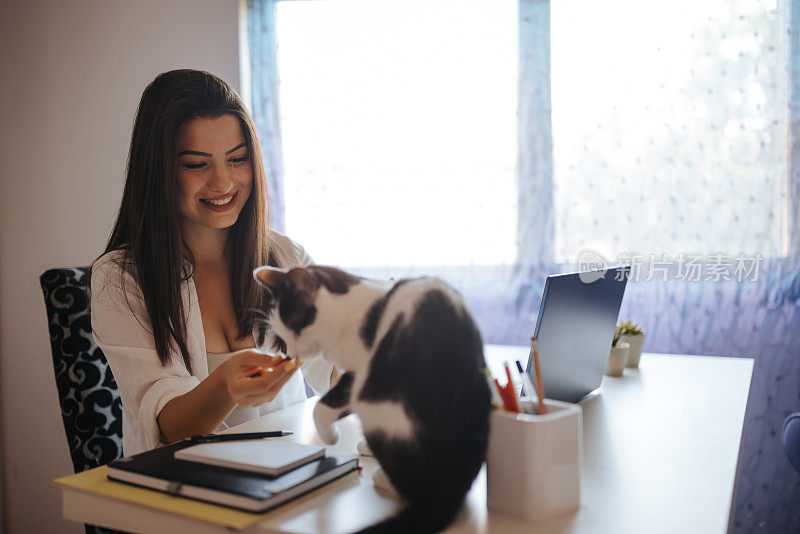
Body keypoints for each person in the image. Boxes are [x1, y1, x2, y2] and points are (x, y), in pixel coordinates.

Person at [90, 69, 335, 457]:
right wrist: (225, 384)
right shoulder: (120, 280)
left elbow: (334, 367)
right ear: (158, 172)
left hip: (288, 475)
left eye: (237, 159)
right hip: (184, 492)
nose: (224, 183)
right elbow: (169, 425)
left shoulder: (285, 258)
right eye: (196, 164)